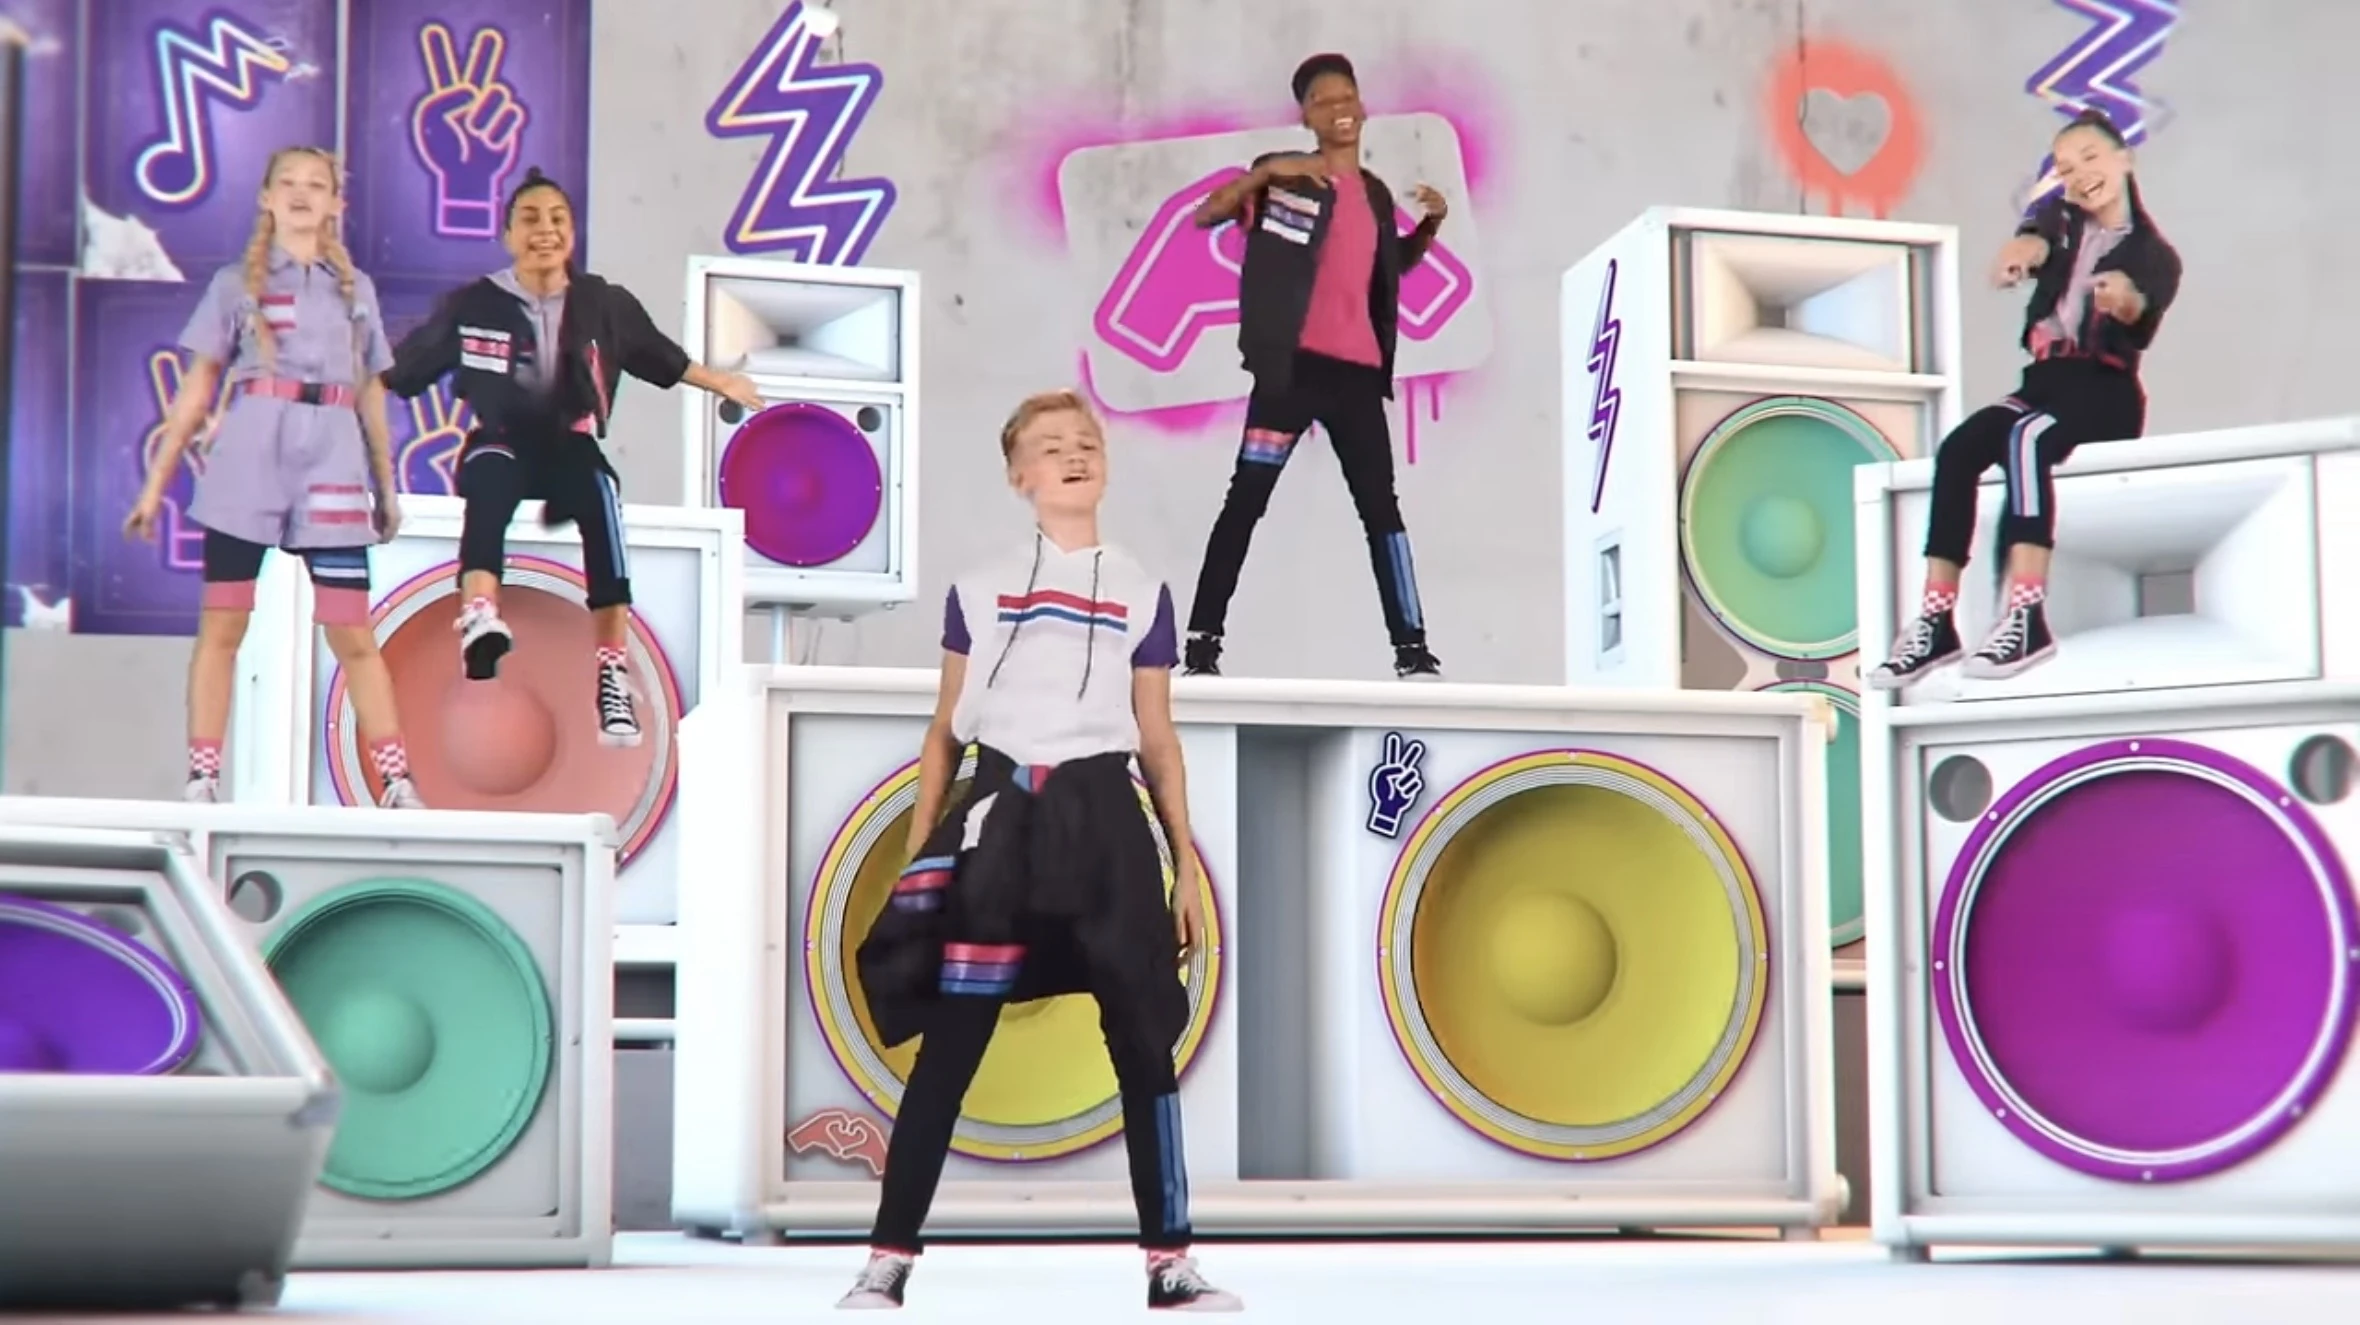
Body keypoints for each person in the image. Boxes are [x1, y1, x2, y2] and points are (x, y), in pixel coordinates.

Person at [836, 390, 1241, 1313]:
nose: (1074, 455)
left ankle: (1170, 1261)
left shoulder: (1142, 588)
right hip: (1003, 817)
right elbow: (945, 729)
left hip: (1107, 819)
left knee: (1142, 1040)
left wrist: (1181, 863)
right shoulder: (976, 590)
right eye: (1051, 446)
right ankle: (886, 1260)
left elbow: (1158, 738)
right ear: (1019, 476)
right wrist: (922, 854)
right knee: (952, 1045)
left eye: (1087, 442)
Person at [379, 168, 762, 745]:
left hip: (570, 443)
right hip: (501, 438)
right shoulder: (473, 304)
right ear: (508, 235)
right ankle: (480, 617)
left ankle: (611, 670)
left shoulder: (604, 304)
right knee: (486, 485)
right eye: (531, 219)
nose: (545, 230)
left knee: (601, 493)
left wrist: (722, 382)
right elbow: (400, 370)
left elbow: (664, 359)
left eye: (558, 219)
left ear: (573, 233)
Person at [126, 146, 422, 809]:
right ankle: (203, 778)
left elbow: (372, 393)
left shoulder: (356, 289)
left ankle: (397, 780)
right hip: (252, 453)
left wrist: (385, 486)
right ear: (266, 197)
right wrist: (153, 487)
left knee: (351, 630)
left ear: (337, 203)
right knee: (224, 624)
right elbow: (197, 390)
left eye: (316, 184)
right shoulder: (235, 283)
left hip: (333, 458)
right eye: (287, 182)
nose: (300, 193)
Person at [1868, 109, 2181, 688]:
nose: (2081, 175)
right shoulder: (2062, 223)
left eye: (2091, 158)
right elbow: (2036, 230)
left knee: (2027, 438)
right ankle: (1937, 619)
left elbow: (2142, 312)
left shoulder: (2152, 252)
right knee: (1960, 449)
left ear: (2125, 159)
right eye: (2066, 167)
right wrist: (2024, 249)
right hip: (2043, 383)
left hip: (2104, 390)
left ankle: (2027, 611)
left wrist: (2124, 301)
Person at [1181, 52, 1448, 681]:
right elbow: (1206, 214)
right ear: (1305, 117)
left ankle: (1412, 651)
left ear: (1363, 105)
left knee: (1381, 510)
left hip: (1357, 381)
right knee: (1246, 502)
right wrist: (1266, 172)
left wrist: (1432, 224)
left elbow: (1387, 266)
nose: (1338, 110)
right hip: (1290, 375)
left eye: (1346, 97)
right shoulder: (1285, 180)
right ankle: (1201, 644)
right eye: (1322, 102)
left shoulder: (1375, 194)